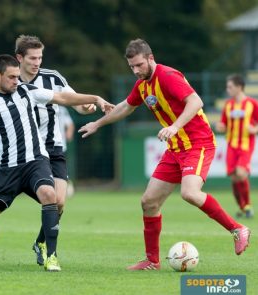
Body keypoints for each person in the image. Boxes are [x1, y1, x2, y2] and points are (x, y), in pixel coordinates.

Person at [79, 39, 251, 271]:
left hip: (198, 144)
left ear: (150, 58)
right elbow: (125, 107)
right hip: (176, 149)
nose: (136, 70)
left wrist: (174, 127)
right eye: (131, 67)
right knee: (149, 202)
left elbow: (195, 101)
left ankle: (237, 228)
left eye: (139, 65)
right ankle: (152, 261)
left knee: (190, 193)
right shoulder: (142, 85)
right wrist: (97, 124)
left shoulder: (168, 76)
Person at [0, 54, 112, 271]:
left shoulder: (27, 91)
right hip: (7, 168)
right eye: (11, 77)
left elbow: (63, 98)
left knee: (51, 196)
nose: (16, 81)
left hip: (36, 161)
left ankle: (51, 256)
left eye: (18, 76)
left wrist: (95, 98)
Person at [0, 35, 96, 266]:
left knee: (60, 202)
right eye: (33, 58)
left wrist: (86, 107)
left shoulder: (52, 77)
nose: (37, 62)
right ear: (19, 58)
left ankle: (41, 242)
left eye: (40, 57)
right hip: (23, 151)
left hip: (52, 148)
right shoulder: (11, 81)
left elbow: (71, 98)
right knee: (3, 203)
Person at [216, 74, 258, 218]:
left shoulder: (252, 103)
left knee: (241, 173)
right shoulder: (228, 105)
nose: (228, 90)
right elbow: (223, 124)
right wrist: (221, 126)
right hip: (231, 145)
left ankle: (247, 205)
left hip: (246, 145)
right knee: (234, 178)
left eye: (230, 87)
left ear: (239, 87)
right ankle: (242, 208)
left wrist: (255, 129)